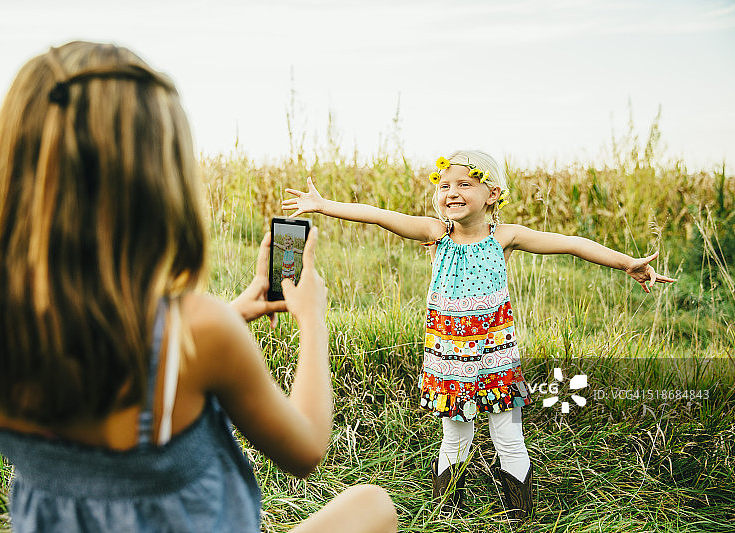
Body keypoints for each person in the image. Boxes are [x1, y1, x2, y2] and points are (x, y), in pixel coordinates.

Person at [0, 41, 397, 533]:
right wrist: (311, 316)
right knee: (372, 506)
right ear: (159, 184)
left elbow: (129, 347)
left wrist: (235, 312)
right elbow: (307, 447)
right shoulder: (204, 332)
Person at [282, 150, 675, 522]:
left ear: (493, 194)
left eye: (464, 185)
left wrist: (628, 264)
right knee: (454, 437)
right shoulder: (436, 233)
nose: (452, 192)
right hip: (449, 359)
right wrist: (323, 205)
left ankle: (519, 517)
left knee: (508, 434)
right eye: (444, 185)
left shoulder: (504, 238)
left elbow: (572, 245)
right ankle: (445, 516)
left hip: (496, 356)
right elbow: (379, 215)